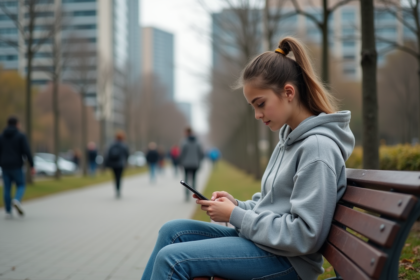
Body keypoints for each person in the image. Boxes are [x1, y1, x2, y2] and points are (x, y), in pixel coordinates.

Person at [141, 37, 355, 280]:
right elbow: (273, 205)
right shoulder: (290, 139)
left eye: (260, 104)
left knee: (172, 260)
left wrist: (235, 216)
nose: (256, 114)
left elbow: (305, 235)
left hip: (289, 262)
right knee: (173, 231)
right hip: (268, 248)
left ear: (288, 92)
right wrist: (237, 206)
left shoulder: (317, 148)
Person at [0, 116, 35, 219]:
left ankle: (7, 211)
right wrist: (32, 165)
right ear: (17, 124)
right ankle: (16, 199)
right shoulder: (20, 136)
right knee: (21, 184)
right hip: (16, 165)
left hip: (5, 166)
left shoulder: (2, 136)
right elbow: (27, 151)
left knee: (7, 187)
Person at [179, 127, 204, 202]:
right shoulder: (198, 142)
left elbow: (182, 154)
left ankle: (187, 195)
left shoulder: (184, 142)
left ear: (187, 133)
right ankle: (195, 194)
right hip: (195, 164)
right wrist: (198, 161)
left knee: (186, 180)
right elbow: (201, 154)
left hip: (186, 164)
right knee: (194, 179)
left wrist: (181, 162)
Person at [104, 131, 129, 198]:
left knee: (115, 177)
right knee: (119, 177)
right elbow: (127, 154)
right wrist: (126, 161)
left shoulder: (112, 144)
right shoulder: (124, 145)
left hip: (113, 164)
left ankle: (116, 189)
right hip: (120, 164)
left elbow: (108, 154)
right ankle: (118, 190)